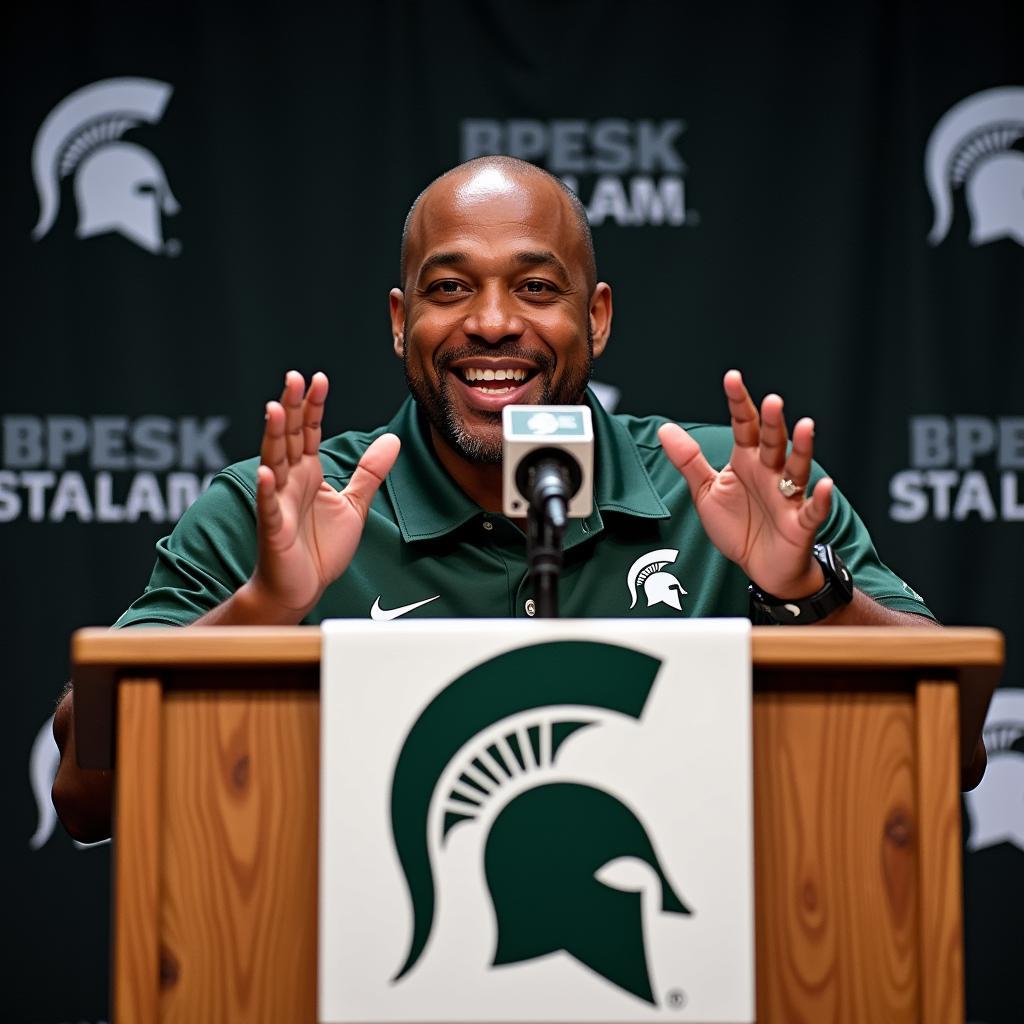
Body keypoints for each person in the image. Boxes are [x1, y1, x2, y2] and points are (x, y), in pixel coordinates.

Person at [52, 156, 981, 842]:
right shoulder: (281, 511)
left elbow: (955, 751)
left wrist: (804, 594)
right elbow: (87, 797)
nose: (492, 322)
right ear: (397, 321)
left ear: (598, 317)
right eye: (450, 288)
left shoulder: (737, 492)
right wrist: (266, 608)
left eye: (536, 288)